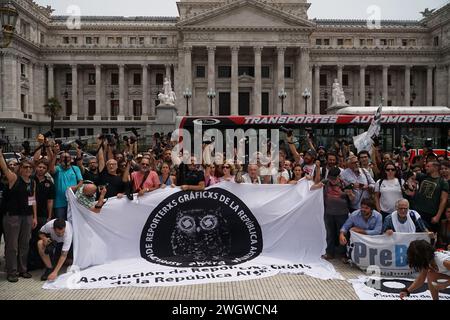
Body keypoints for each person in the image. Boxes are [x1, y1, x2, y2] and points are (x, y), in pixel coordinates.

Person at [0, 151, 37, 283]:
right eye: (25, 167)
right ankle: (12, 272)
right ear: (20, 169)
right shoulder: (14, 179)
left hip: (27, 217)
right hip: (13, 217)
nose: (28, 169)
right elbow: (4, 167)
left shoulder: (32, 182)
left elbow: (33, 200)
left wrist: (34, 217)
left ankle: (23, 269)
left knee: (24, 244)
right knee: (12, 246)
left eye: (30, 167)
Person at [28, 159, 55, 271]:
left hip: (43, 215)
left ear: (46, 170)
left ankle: (42, 263)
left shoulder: (49, 183)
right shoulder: (30, 180)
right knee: (30, 240)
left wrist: (49, 216)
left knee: (42, 239)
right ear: (36, 167)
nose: (41, 169)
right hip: (29, 214)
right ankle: (31, 263)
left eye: (44, 168)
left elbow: (50, 201)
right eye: (40, 167)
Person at [322, 167, 354, 260]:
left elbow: (352, 199)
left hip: (342, 213)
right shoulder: (325, 183)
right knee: (329, 234)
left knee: (342, 234)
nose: (332, 181)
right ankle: (330, 253)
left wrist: (350, 194)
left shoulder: (345, 184)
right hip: (328, 213)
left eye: (334, 179)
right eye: (330, 179)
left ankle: (343, 254)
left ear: (339, 176)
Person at [408, 161, 449, 233]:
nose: (425, 168)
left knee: (429, 236)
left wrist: (438, 216)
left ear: (435, 168)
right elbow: (409, 174)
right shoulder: (423, 176)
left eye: (428, 166)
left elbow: (444, 200)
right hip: (417, 210)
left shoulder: (443, 182)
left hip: (430, 213)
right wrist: (410, 184)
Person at [339, 198, 382, 262]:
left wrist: (361, 231)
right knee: (345, 235)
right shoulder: (354, 214)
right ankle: (346, 255)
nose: (363, 209)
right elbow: (345, 226)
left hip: (372, 238)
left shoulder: (378, 215)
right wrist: (341, 234)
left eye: (366, 208)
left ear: (371, 209)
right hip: (358, 238)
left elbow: (378, 231)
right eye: (362, 207)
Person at [49, 148, 83, 220]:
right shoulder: (58, 168)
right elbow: (51, 170)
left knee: (73, 221)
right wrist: (55, 154)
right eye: (63, 158)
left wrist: (76, 187)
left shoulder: (75, 168)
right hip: (59, 203)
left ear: (71, 159)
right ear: (60, 160)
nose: (65, 159)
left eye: (67, 158)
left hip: (73, 202)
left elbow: (81, 181)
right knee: (61, 223)